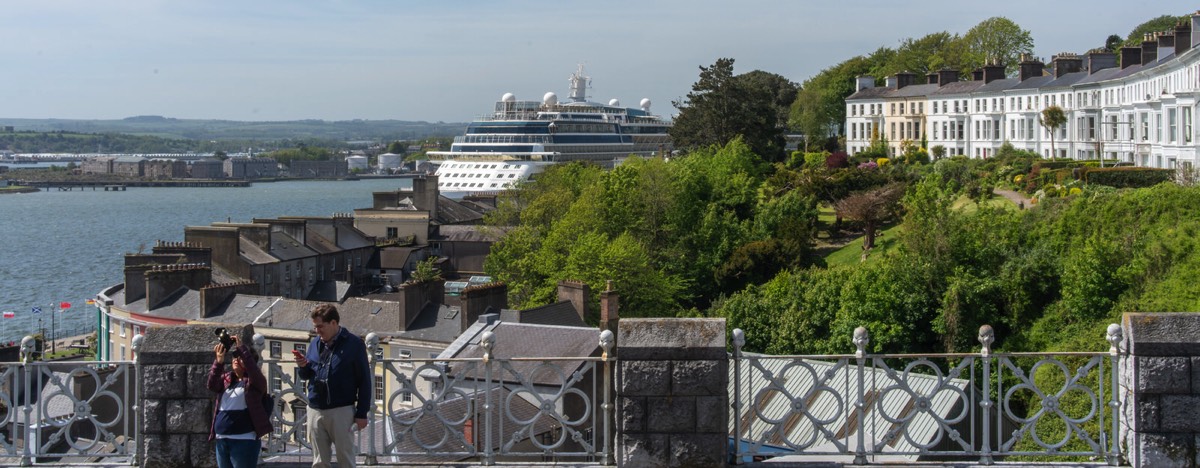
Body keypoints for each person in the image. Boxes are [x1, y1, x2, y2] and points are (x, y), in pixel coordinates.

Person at [294, 304, 372, 468]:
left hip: (341, 410)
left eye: (320, 326)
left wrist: (362, 413)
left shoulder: (354, 344)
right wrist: (302, 366)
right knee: (319, 461)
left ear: (334, 323)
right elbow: (307, 375)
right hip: (315, 409)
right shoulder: (315, 343)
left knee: (346, 459)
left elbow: (364, 381)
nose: (317, 331)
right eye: (315, 327)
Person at [206, 333, 273, 468]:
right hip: (222, 439)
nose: (236, 359)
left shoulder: (255, 383)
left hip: (244, 440)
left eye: (240, 357)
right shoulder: (226, 380)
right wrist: (218, 362)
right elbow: (212, 385)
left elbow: (254, 371)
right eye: (235, 357)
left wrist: (242, 349)